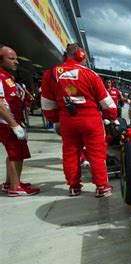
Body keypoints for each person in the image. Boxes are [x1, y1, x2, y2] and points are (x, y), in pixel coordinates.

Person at [41, 43, 117, 197]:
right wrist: (111, 117)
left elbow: (47, 103)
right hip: (91, 119)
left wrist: (55, 121)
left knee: (70, 153)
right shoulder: (90, 74)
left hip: (67, 120)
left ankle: (74, 187)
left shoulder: (50, 74)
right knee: (97, 154)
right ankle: (101, 186)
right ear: (81, 56)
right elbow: (107, 102)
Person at [0, 46, 39, 196]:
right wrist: (14, 125)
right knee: (16, 153)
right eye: (11, 58)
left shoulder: (7, 76)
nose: (16, 62)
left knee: (14, 153)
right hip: (7, 123)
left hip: (12, 121)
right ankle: (16, 188)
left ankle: (10, 183)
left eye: (16, 58)